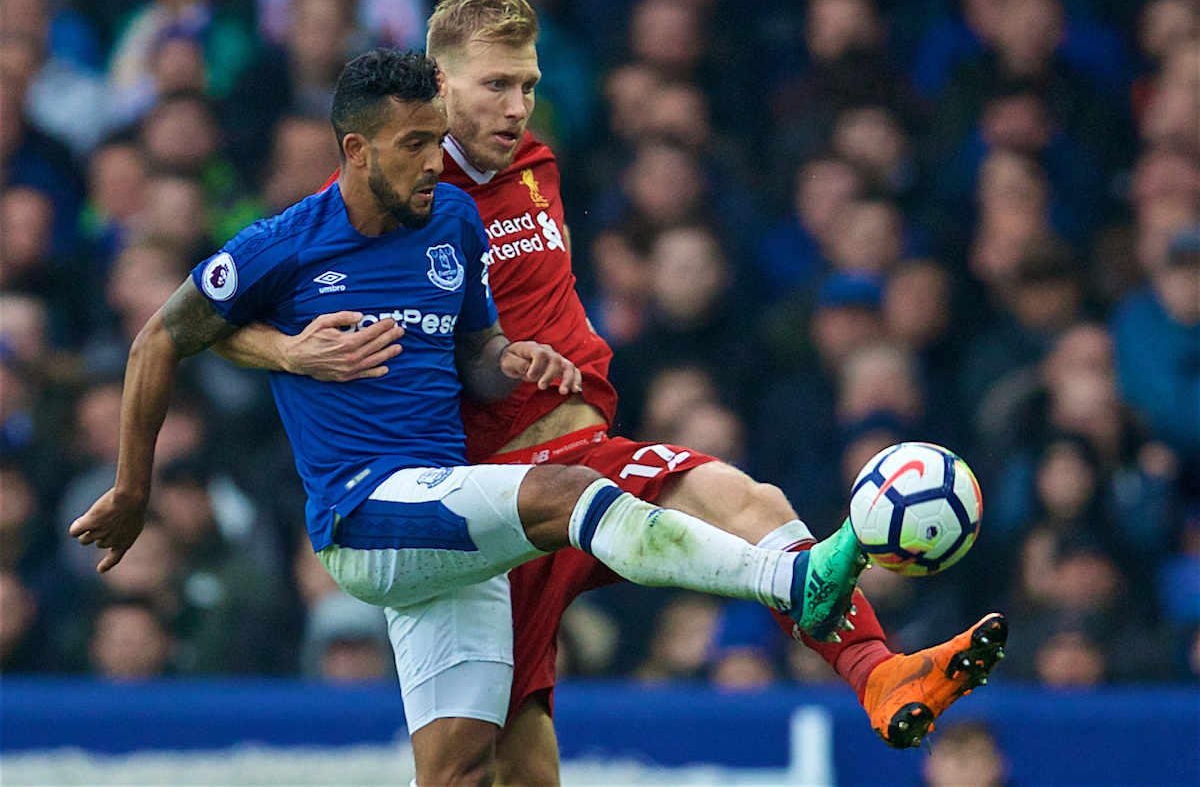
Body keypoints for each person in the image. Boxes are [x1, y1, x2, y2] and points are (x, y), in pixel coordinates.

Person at [215, 0, 1007, 781]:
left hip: (577, 469)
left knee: (743, 505)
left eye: (528, 84)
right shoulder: (394, 203)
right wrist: (290, 352)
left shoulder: (534, 164)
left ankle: (878, 673)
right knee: (494, 768)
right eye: (495, 85)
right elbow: (216, 317)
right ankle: (867, 662)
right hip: (507, 496)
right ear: (439, 84)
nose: (518, 106)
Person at [69, 48, 868, 787]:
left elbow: (476, 352)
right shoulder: (286, 245)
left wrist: (511, 360)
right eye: (413, 144)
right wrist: (136, 490)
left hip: (445, 522)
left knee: (460, 771)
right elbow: (157, 341)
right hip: (364, 511)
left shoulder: (451, 222)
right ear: (355, 151)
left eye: (436, 140)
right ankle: (788, 578)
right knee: (564, 493)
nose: (432, 162)